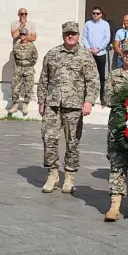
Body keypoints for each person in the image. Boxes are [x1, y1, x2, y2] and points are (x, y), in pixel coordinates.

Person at [37, 21, 99, 194]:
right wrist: (41, 100)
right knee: (49, 139)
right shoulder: (52, 54)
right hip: (52, 104)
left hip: (74, 106)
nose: (70, 36)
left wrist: (89, 101)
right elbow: (44, 79)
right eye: (67, 34)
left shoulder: (85, 56)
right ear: (63, 35)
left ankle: (70, 175)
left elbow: (93, 80)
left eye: (73, 33)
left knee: (72, 142)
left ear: (78, 35)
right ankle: (53, 173)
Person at [103, 38, 128, 221]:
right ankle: (115, 204)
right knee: (117, 164)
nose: (127, 56)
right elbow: (108, 98)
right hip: (118, 127)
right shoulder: (114, 75)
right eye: (125, 53)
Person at [82, 6, 111, 103]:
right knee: (88, 75)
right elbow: (84, 37)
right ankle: (88, 98)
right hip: (89, 53)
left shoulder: (105, 24)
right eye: (94, 13)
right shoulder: (88, 24)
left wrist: (98, 48)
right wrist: (89, 48)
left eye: (97, 13)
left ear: (101, 14)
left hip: (100, 53)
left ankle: (102, 98)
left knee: (101, 76)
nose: (95, 15)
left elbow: (107, 38)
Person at [9, 27, 38, 114]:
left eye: (24, 34)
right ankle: (15, 105)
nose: (22, 36)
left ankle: (25, 105)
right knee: (15, 87)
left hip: (28, 68)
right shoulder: (16, 45)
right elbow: (15, 56)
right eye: (21, 34)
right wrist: (20, 64)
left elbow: (35, 57)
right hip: (19, 68)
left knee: (28, 88)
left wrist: (28, 65)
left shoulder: (31, 46)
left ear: (26, 35)